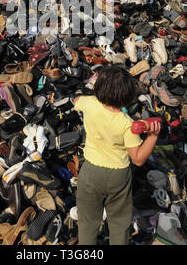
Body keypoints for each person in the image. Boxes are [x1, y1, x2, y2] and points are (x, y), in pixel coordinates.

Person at [73, 65, 161, 245]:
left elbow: (76, 101)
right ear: (128, 97)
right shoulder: (127, 124)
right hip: (118, 175)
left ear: (98, 89)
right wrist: (152, 136)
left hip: (90, 171)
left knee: (88, 221)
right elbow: (138, 159)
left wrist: (86, 97)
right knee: (119, 223)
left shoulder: (90, 104)